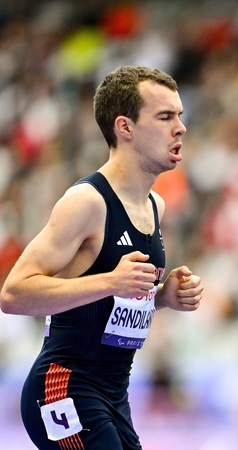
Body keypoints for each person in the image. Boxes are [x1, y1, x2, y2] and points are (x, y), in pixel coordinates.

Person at [0, 66, 203, 450]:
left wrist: (162, 298)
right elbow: (13, 295)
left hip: (113, 396)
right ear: (125, 127)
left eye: (180, 115)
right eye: (165, 117)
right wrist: (111, 280)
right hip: (63, 386)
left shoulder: (155, 205)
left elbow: (112, 305)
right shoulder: (87, 202)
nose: (181, 128)